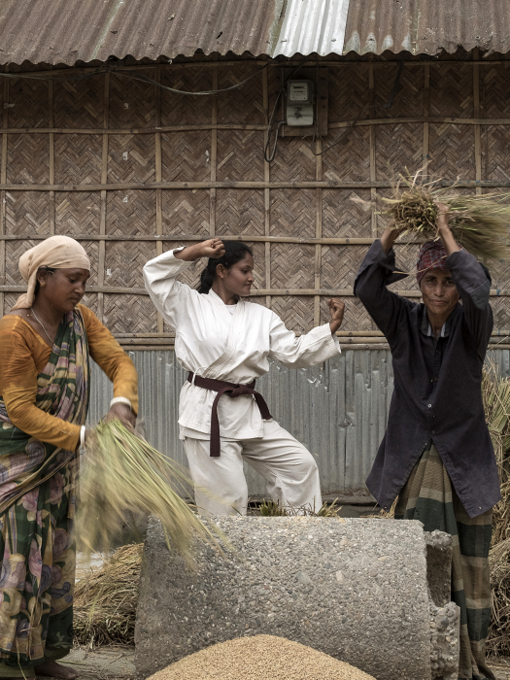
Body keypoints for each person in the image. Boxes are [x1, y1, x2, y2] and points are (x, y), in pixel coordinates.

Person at [354, 205, 500, 680]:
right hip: (416, 452)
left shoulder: (472, 325)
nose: (440, 291)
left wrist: (444, 232)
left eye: (447, 281)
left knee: (469, 560)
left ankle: (464, 657)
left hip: (467, 457)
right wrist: (393, 230)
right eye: (431, 281)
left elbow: (481, 291)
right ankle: (420, 649)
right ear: (418, 284)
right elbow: (367, 288)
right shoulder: (402, 322)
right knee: (421, 551)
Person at [0, 236, 138, 680]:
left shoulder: (80, 321)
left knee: (55, 559)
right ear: (43, 278)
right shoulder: (15, 331)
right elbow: (19, 408)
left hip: (60, 466)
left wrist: (122, 403)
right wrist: (83, 436)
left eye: (85, 280)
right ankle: (11, 658)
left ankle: (43, 656)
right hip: (18, 466)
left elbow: (119, 362)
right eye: (73, 279)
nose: (81, 289)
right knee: (19, 560)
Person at [143, 238, 345, 516]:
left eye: (251, 271)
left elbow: (294, 352)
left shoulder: (262, 317)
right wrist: (196, 252)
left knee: (299, 466)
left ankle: (298, 540)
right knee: (228, 498)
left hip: (247, 413)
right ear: (222, 271)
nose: (252, 278)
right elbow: (154, 273)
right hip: (206, 415)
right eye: (245, 270)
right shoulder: (188, 304)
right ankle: (223, 556)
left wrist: (329, 328)